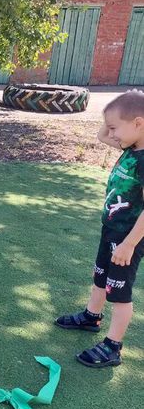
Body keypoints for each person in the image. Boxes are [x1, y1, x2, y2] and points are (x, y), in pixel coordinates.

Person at [55, 91, 144, 368]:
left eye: (117, 127)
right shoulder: (131, 149)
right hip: (112, 230)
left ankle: (113, 346)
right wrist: (113, 116)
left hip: (129, 237)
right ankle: (91, 317)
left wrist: (129, 244)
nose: (112, 134)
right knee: (100, 276)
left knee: (119, 290)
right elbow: (101, 136)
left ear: (139, 124)